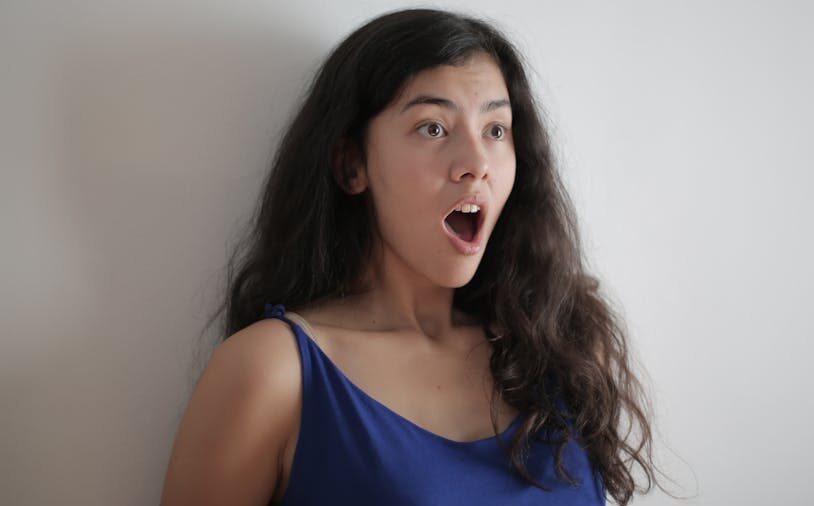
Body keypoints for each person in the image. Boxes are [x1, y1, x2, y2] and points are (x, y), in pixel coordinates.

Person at [161, 7, 666, 505]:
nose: (476, 165)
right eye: (433, 128)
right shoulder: (274, 371)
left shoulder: (565, 344)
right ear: (351, 165)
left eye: (495, 130)